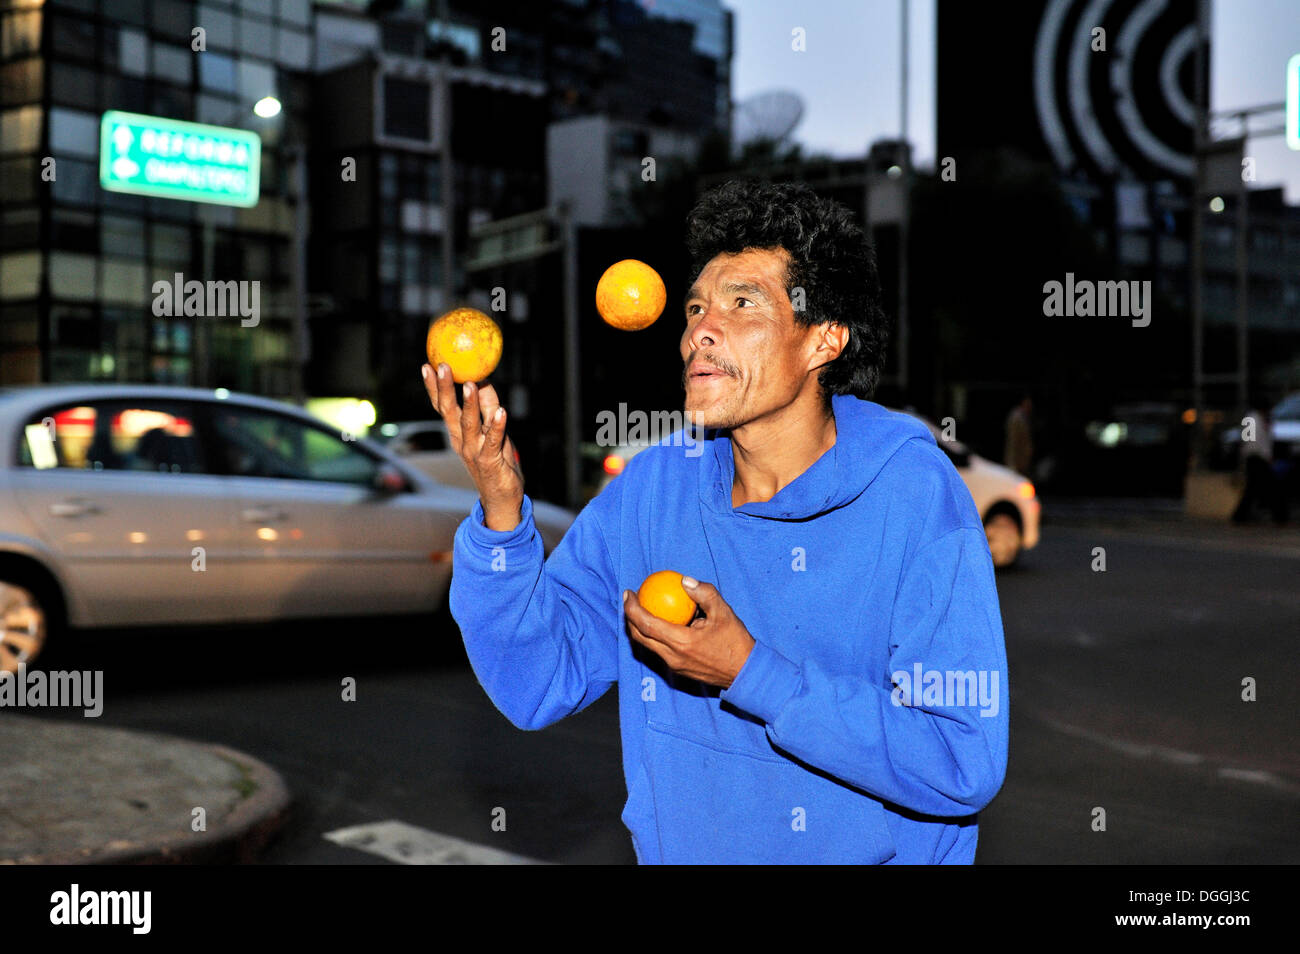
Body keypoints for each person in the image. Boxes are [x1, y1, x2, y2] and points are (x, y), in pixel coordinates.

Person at [422, 179, 1009, 864]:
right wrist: (500, 510)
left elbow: (962, 760)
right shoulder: (650, 490)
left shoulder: (914, 496)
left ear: (824, 339)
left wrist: (751, 671)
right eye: (697, 306)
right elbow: (536, 680)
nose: (700, 328)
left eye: (742, 303)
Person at [1231, 401, 1286, 524]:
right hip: (1255, 458)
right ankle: (1279, 516)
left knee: (1253, 489)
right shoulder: (1251, 419)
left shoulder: (1261, 420)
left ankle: (1241, 515)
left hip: (1259, 458)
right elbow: (1250, 443)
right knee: (1268, 487)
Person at [1004, 394, 1034, 477]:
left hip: (1022, 456)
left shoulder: (1024, 417)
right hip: (1016, 456)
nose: (1029, 407)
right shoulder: (1017, 417)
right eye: (1028, 404)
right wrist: (1013, 461)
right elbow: (1014, 440)